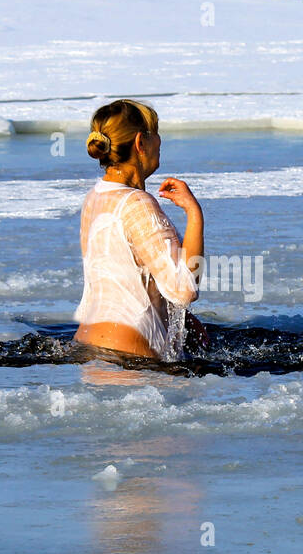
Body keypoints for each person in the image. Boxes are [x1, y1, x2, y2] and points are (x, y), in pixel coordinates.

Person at [73, 99, 206, 360]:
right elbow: (184, 290)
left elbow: (126, 274)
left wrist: (185, 322)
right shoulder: (137, 204)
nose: (160, 141)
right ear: (139, 143)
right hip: (131, 354)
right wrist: (194, 213)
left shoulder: (95, 196)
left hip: (87, 347)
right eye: (155, 133)